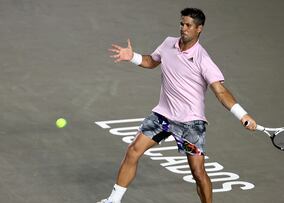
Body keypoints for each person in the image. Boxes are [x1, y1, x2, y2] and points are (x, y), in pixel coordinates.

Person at [99, 8, 257, 203]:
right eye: (182, 24)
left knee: (198, 173)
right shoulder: (168, 44)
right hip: (163, 117)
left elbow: (221, 91)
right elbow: (152, 61)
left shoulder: (203, 60)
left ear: (199, 29)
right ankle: (113, 201)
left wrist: (242, 114)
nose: (183, 28)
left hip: (190, 124)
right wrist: (132, 57)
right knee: (133, 150)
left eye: (189, 25)